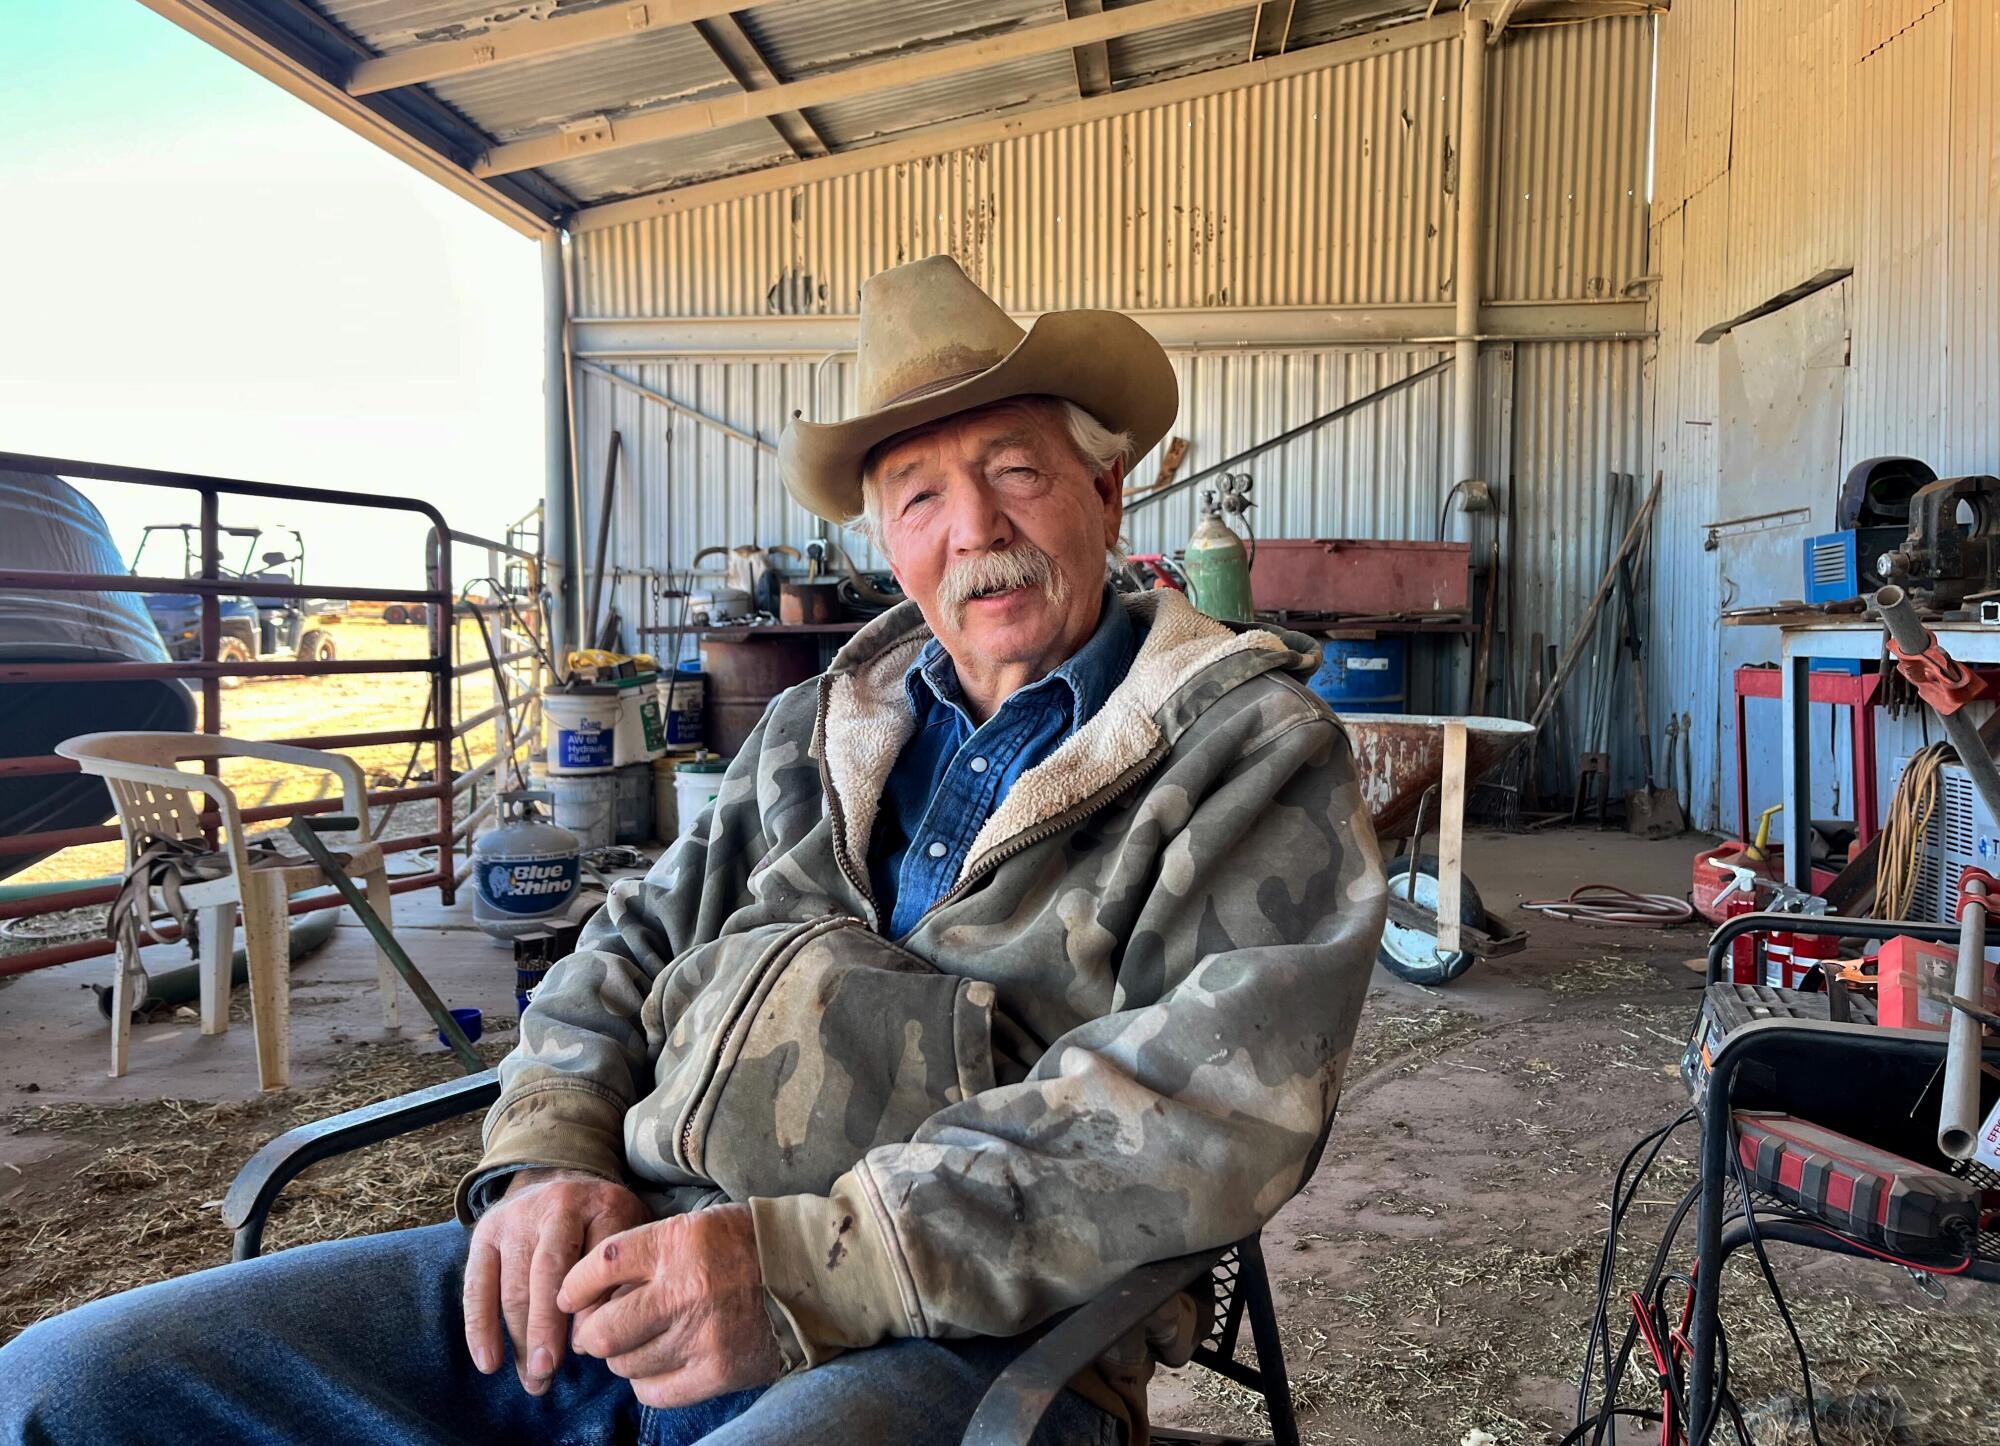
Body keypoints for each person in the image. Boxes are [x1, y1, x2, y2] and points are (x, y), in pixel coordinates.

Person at [0, 255, 1386, 1446]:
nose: (975, 532)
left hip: (959, 1336)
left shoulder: (1243, 751)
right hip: (626, 1256)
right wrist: (548, 1156)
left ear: (1105, 487)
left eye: (1017, 473)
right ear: (884, 541)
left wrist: (800, 1263)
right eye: (918, 497)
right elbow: (624, 947)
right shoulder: (809, 727)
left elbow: (1202, 1117)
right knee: (65, 1389)